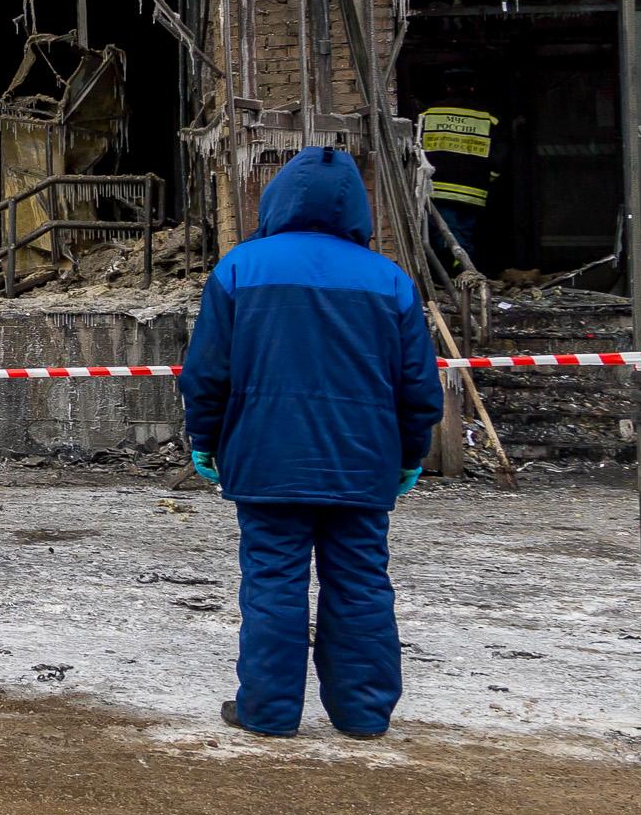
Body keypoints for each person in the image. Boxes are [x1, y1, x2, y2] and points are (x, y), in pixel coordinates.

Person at [179, 147, 445, 739]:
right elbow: (419, 385)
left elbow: (206, 373)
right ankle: (363, 713)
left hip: (268, 462)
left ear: (278, 201)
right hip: (363, 465)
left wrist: (206, 438)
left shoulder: (239, 270)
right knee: (361, 582)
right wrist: (409, 453)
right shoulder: (390, 281)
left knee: (274, 581)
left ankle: (268, 712)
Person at [417, 84, 498, 271]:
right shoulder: (489, 118)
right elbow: (499, 154)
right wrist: (490, 178)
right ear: (472, 89)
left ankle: (454, 270)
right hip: (473, 190)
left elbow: (416, 148)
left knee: (444, 232)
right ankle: (462, 271)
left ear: (447, 88)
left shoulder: (429, 114)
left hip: (438, 187)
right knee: (464, 231)